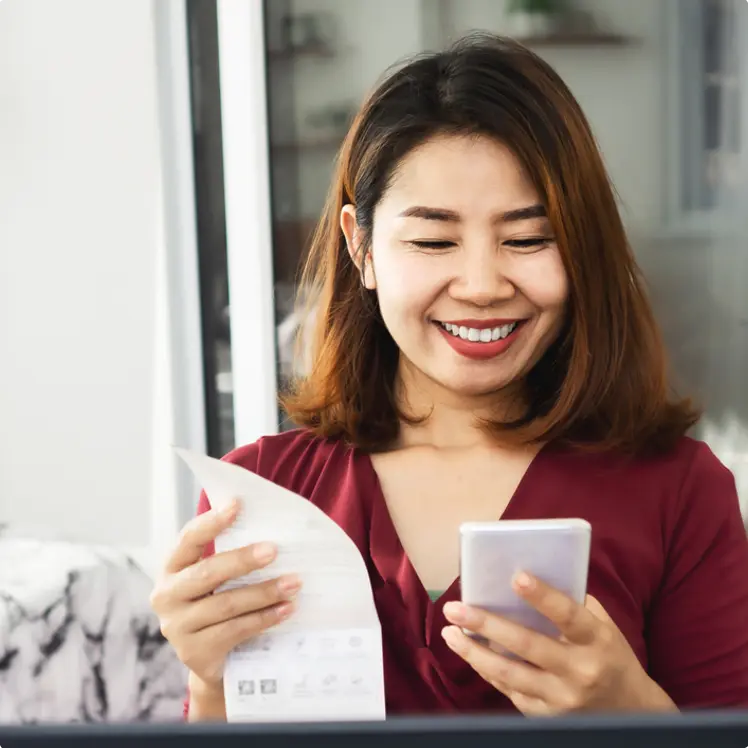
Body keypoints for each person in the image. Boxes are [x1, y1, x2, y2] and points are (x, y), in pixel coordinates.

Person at [150, 33, 748, 720]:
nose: (483, 285)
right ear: (361, 247)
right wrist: (212, 684)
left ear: (582, 248)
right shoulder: (259, 496)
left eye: (527, 239)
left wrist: (632, 712)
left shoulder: (678, 493)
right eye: (434, 241)